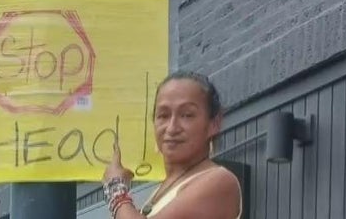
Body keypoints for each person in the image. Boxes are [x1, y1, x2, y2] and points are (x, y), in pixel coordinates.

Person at [101, 71, 242, 218]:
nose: (172, 128)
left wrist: (116, 188)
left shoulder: (219, 181)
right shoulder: (161, 192)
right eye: (163, 116)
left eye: (187, 115)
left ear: (214, 123)